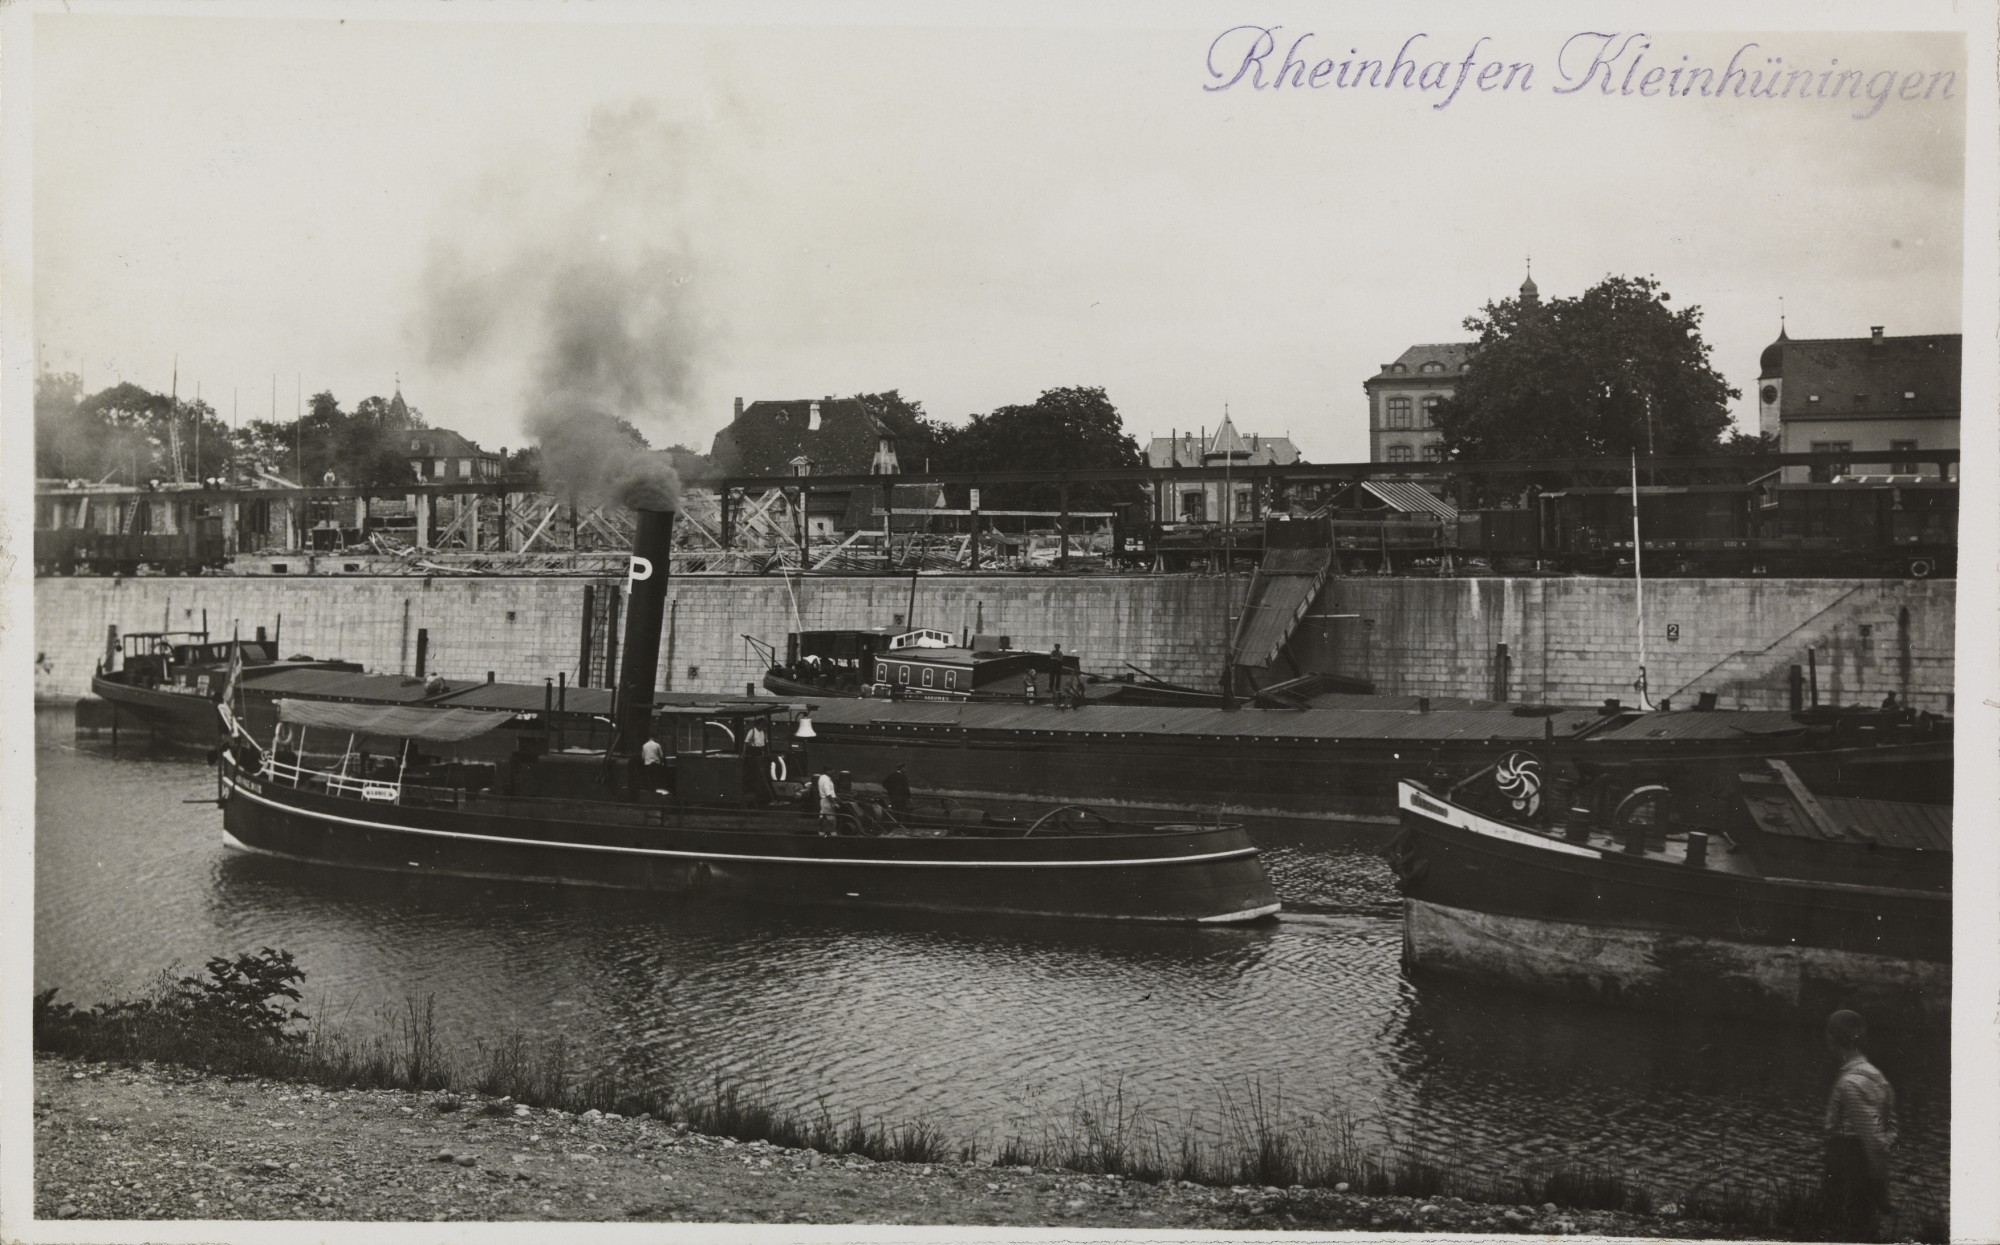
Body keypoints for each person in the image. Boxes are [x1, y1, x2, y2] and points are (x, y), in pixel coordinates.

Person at [1823, 1009, 1897, 1238]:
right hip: (1862, 1167)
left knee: (1845, 1229)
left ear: (1832, 1039)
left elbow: (1873, 1138)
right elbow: (1890, 1128)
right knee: (1863, 1228)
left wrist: (1880, 1188)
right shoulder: (1877, 1077)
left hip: (1849, 1168)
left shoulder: (1850, 1083)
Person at [815, 769, 840, 835]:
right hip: (827, 801)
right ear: (827, 771)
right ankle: (833, 834)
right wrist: (834, 803)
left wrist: (835, 796)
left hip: (823, 800)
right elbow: (828, 793)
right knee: (831, 818)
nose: (833, 772)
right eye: (831, 771)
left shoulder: (821, 777)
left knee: (822, 816)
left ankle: (821, 833)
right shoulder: (826, 780)